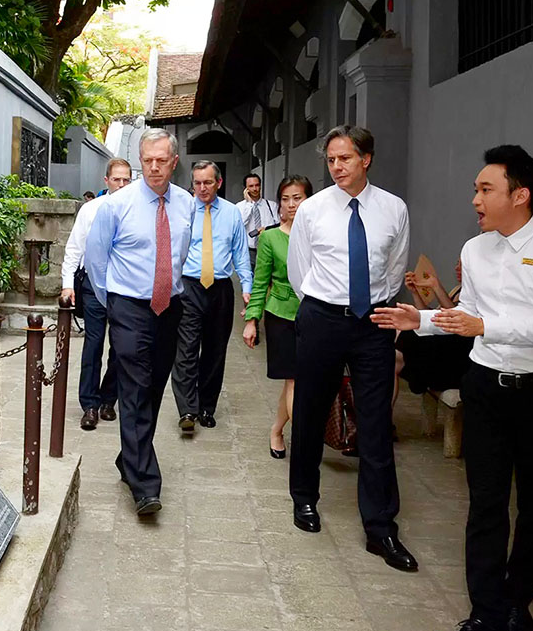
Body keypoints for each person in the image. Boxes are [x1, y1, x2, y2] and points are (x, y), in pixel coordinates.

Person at [373, 145, 533, 631]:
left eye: (485, 189)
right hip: (487, 387)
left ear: (521, 194)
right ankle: (485, 618)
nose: (475, 199)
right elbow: (467, 310)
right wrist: (418, 321)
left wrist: (483, 325)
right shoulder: (475, 250)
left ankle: (518, 601)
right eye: (476, 189)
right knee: (486, 503)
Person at [286, 125, 418, 572]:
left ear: (367, 159)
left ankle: (380, 527)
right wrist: (323, 307)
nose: (337, 167)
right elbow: (299, 269)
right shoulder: (312, 210)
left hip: (373, 321)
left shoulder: (393, 209)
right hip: (323, 317)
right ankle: (304, 498)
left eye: (345, 158)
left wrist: (376, 308)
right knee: (309, 409)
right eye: (331, 160)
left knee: (377, 422)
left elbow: (395, 266)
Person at [85, 128, 194, 517]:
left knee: (152, 388)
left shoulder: (187, 205)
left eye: (161, 160)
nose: (153, 167)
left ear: (174, 162)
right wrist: (113, 304)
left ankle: (127, 458)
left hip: (169, 307)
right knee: (133, 386)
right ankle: (146, 485)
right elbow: (96, 261)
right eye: (147, 160)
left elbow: (180, 256)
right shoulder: (117, 205)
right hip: (128, 306)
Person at [171, 161, 252, 435]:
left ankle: (207, 407)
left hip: (220, 289)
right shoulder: (182, 211)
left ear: (218, 182)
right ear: (191, 184)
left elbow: (240, 253)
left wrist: (247, 287)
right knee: (186, 350)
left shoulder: (231, 214)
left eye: (208, 182)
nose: (202, 188)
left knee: (215, 352)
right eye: (197, 183)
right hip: (189, 287)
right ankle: (187, 410)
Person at [242, 175, 312, 459]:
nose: (292, 204)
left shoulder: (319, 234)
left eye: (298, 197)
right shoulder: (270, 237)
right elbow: (260, 282)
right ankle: (306, 444)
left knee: (298, 380)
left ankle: (276, 429)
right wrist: (251, 320)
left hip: (315, 315)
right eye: (285, 198)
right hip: (281, 314)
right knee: (295, 379)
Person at [61, 158, 133, 431]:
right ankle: (89, 403)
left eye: (127, 179)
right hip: (93, 285)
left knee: (121, 345)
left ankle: (108, 399)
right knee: (93, 345)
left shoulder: (135, 211)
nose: (122, 184)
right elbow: (74, 249)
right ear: (107, 181)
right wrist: (68, 283)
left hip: (124, 287)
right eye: (117, 179)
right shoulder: (91, 210)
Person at [394, 258, 473, 400]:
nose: (457, 268)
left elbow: (454, 318)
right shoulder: (457, 290)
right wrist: (415, 292)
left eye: (462, 265)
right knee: (391, 357)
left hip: (457, 352)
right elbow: (428, 317)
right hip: (441, 343)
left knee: (404, 338)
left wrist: (436, 286)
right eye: (457, 264)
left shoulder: (476, 295)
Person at [237, 173, 280, 270]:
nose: (255, 188)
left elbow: (279, 226)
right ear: (246, 189)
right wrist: (249, 204)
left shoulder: (271, 205)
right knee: (249, 281)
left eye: (257, 185)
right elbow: (239, 225)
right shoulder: (240, 207)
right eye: (251, 186)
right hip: (248, 251)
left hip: (268, 249)